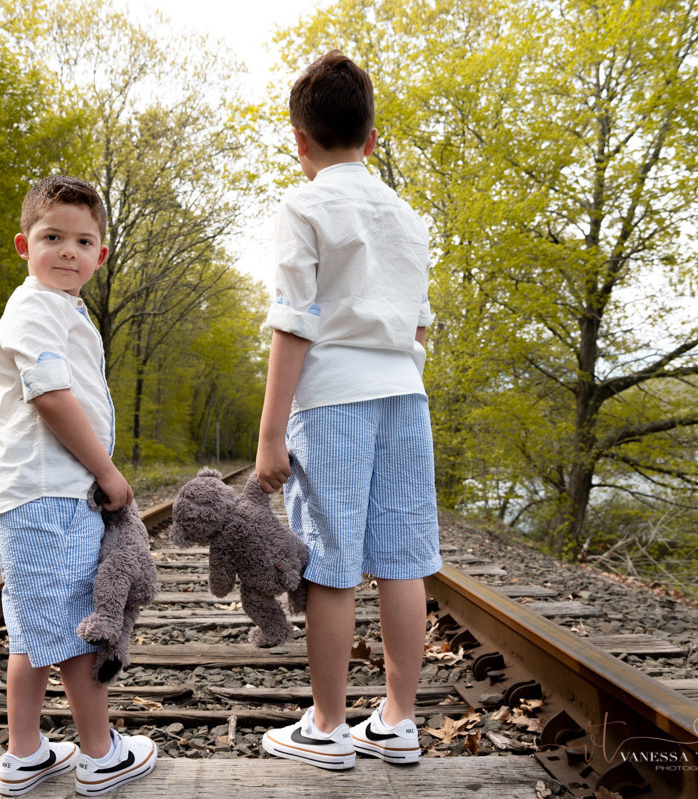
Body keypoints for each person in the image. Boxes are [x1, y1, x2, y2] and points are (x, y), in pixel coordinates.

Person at [255, 51, 442, 771]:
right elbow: (419, 324)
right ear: (371, 138)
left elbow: (294, 322)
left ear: (299, 140)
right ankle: (397, 720)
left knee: (330, 564)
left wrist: (272, 433)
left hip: (334, 398)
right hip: (406, 396)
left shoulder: (303, 205)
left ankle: (328, 726)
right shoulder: (408, 216)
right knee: (403, 559)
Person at [0, 176, 156, 796]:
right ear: (22, 244)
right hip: (47, 493)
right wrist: (108, 473)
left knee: (32, 631)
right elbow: (52, 398)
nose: (66, 251)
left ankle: (26, 753)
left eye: (83, 241)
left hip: (40, 493)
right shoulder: (32, 308)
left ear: (100, 256)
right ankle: (100, 754)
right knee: (86, 626)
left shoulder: (62, 308)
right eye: (51, 236)